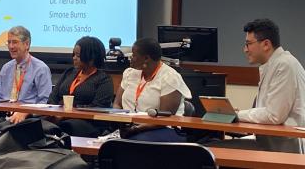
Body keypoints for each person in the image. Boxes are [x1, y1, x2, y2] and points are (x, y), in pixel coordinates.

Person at [209, 19, 305, 153]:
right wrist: (236, 113)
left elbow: (274, 115)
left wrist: (237, 115)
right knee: (210, 147)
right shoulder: (274, 65)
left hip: (281, 150)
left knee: (210, 151)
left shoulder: (284, 65)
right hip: (267, 144)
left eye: (248, 44)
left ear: (266, 44)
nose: (245, 49)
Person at [0, 26, 52, 129]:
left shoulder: (41, 69)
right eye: (8, 42)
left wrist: (25, 112)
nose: (11, 46)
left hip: (26, 118)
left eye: (15, 42)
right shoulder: (6, 68)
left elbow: (44, 102)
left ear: (26, 44)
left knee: (0, 127)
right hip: (3, 115)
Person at [113, 38, 192, 141]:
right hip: (130, 128)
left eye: (134, 55)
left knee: (133, 144)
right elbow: (117, 104)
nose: (130, 58)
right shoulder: (130, 73)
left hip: (162, 129)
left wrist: (136, 128)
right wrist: (121, 123)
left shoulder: (170, 77)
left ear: (146, 58)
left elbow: (165, 118)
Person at [47, 36, 114, 137]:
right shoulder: (69, 73)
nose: (74, 58)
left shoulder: (104, 79)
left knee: (66, 126)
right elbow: (53, 97)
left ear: (91, 58)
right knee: (33, 122)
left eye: (78, 55)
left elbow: (98, 107)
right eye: (74, 54)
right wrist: (54, 114)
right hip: (58, 116)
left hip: (88, 123)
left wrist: (65, 115)